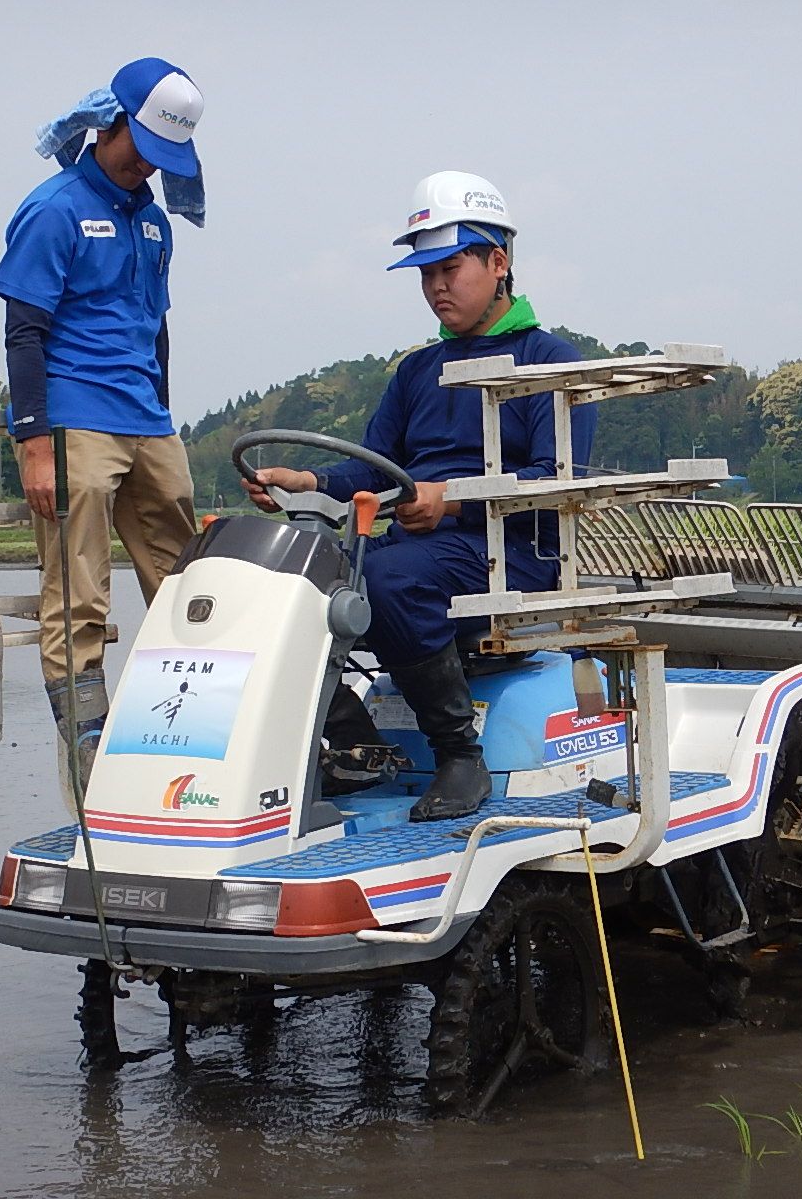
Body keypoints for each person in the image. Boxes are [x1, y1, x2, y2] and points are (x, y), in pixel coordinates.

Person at [243, 170, 594, 822]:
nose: (436, 286)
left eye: (449, 268)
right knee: (280, 573)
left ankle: (459, 754)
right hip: (422, 552)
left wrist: (451, 499)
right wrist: (309, 482)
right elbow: (374, 471)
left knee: (386, 579)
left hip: (514, 556)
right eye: (425, 273)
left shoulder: (551, 363)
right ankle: (350, 743)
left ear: (498, 262)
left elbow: (555, 484)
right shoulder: (416, 370)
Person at [0, 57, 205, 800]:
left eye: (164, 156)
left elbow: (157, 328)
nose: (150, 164)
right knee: (80, 593)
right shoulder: (53, 208)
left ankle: (193, 725)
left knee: (190, 580)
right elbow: (24, 331)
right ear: (111, 124)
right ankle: (91, 757)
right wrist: (34, 445)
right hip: (76, 417)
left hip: (146, 418)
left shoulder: (151, 219)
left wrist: (165, 412)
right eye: (143, 145)